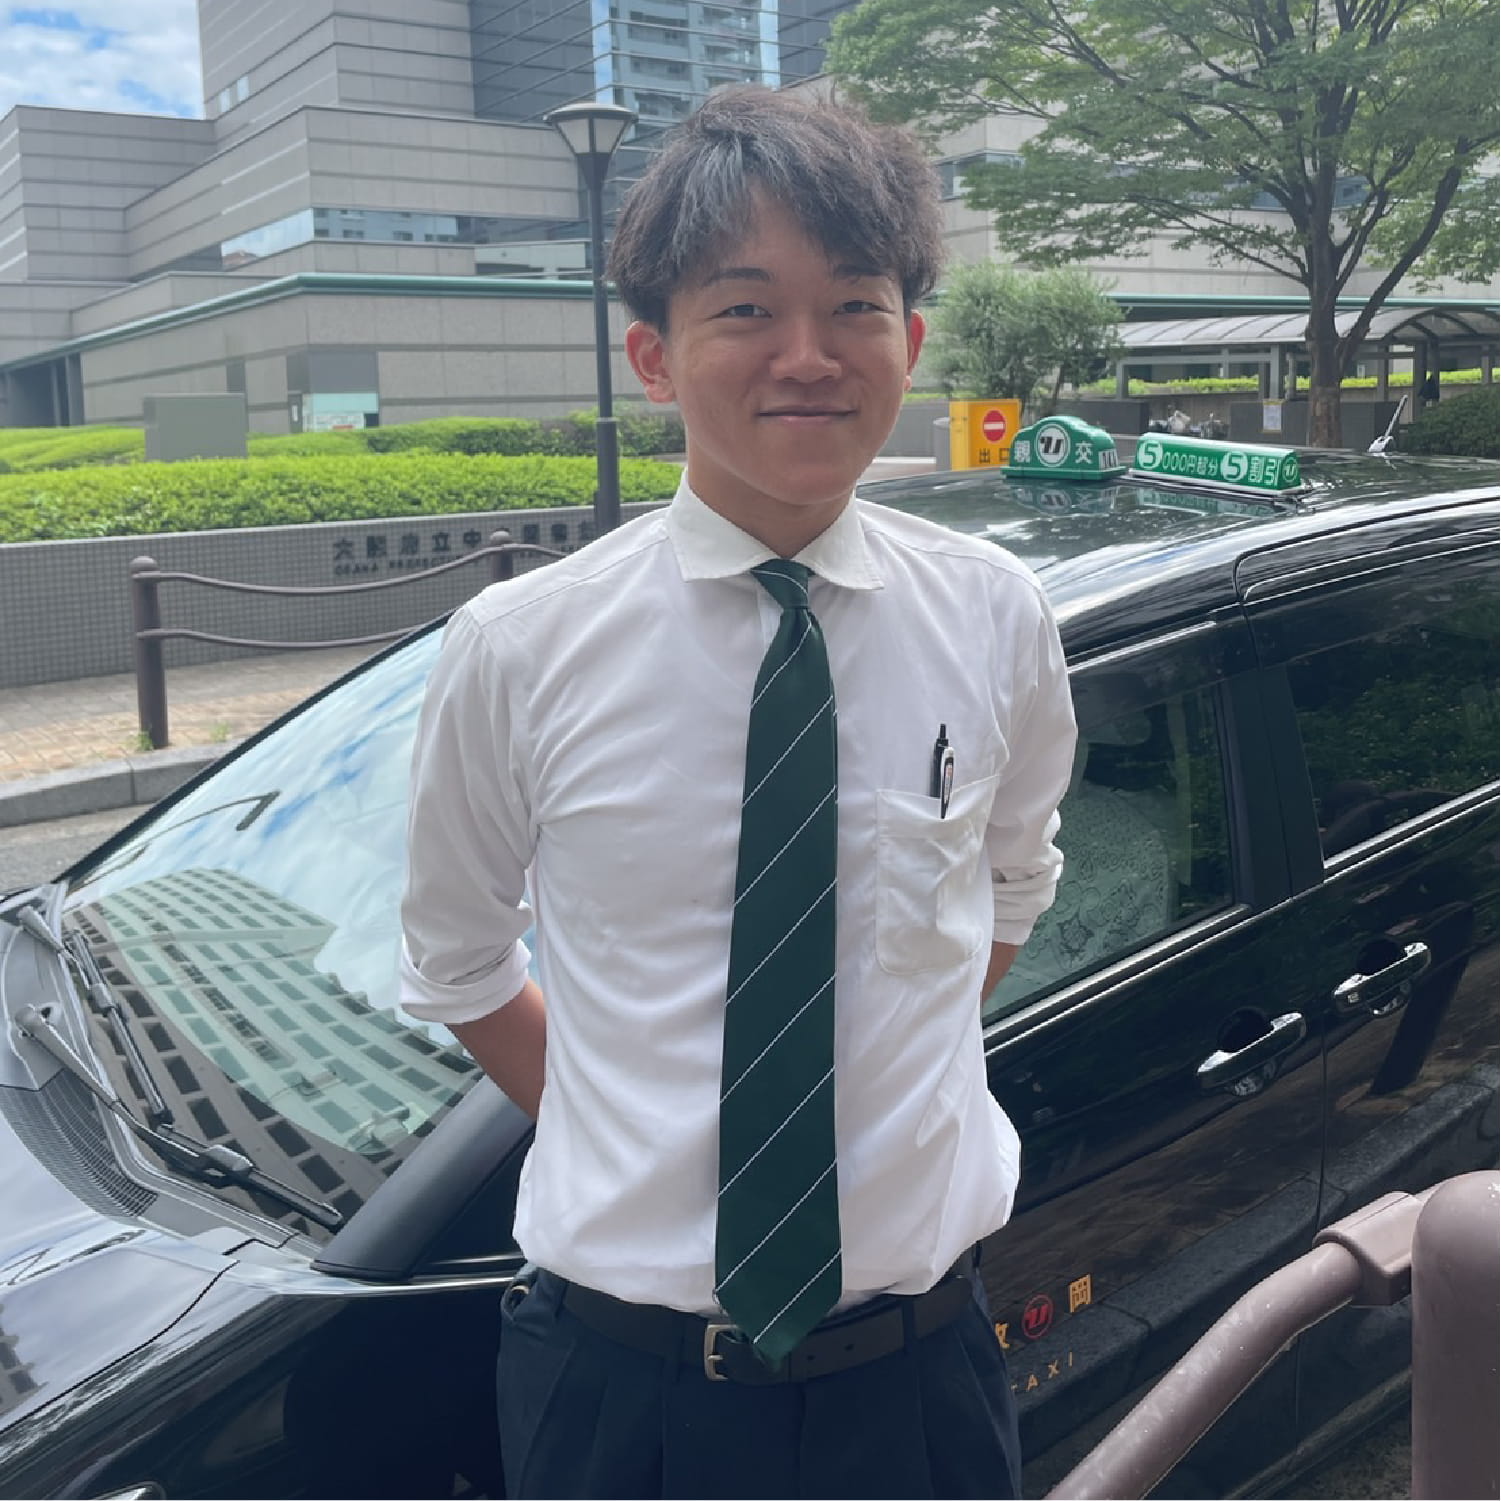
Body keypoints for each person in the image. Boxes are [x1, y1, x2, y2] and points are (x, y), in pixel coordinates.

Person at [399, 85, 1076, 1501]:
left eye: (855, 305)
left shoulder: (994, 613)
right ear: (654, 355)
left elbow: (1012, 879)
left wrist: (875, 1082)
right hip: (623, 1397)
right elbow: (457, 957)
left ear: (912, 342)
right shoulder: (519, 649)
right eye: (747, 308)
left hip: (919, 1383)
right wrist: (637, 1137)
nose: (808, 357)